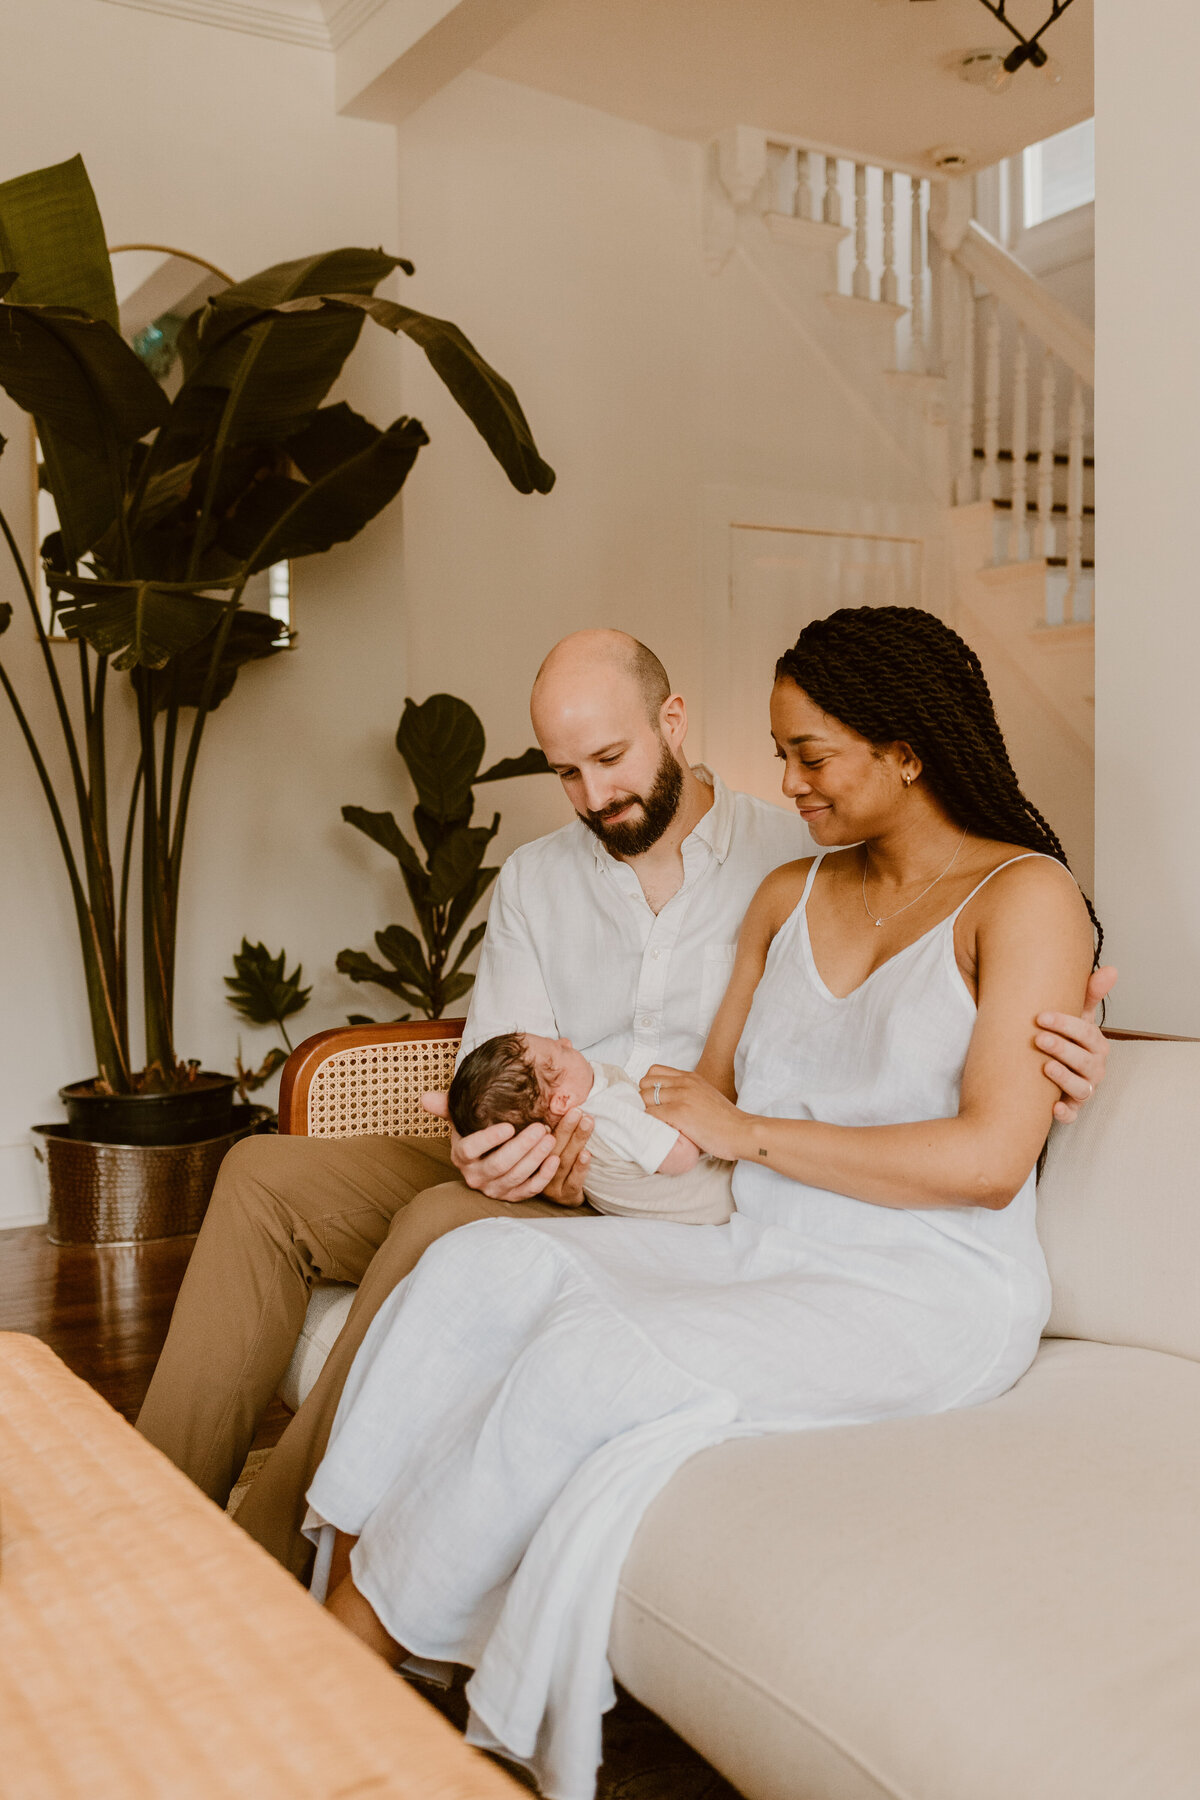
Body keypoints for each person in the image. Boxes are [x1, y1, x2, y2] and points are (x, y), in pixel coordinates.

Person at [305, 606, 1103, 1800]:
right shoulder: (788, 893)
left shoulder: (1022, 898)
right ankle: (335, 1604)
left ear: (908, 750)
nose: (785, 781)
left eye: (811, 756)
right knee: (475, 1271)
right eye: (782, 753)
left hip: (925, 1288)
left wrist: (748, 1134)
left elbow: (989, 1160)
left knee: (588, 1364)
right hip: (765, 1239)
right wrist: (589, 1099)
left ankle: (346, 1682)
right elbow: (700, 1101)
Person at [135, 628, 1114, 1580]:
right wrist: (491, 1152)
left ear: (674, 722)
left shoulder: (807, 849)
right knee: (260, 1172)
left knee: (443, 1226)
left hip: (694, 1179)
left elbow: (952, 960)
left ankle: (256, 1562)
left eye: (610, 757)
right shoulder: (536, 879)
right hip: (547, 1150)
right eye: (566, 772)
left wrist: (1068, 1046)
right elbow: (499, 1064)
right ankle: (143, 1521)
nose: (593, 796)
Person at [448, 1030, 734, 1223]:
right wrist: (679, 1111)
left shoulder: (581, 1110)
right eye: (559, 1052)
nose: (567, 1042)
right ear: (562, 1100)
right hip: (719, 1200)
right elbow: (681, 1157)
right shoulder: (607, 1110)